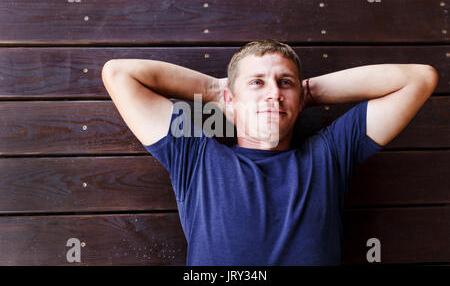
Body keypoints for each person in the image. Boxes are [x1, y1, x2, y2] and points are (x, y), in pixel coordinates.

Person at [101, 39, 438, 265]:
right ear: (231, 99)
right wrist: (216, 90)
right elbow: (119, 73)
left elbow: (419, 78)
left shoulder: (330, 153)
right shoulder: (195, 154)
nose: (273, 93)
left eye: (285, 82)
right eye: (257, 82)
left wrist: (309, 92)